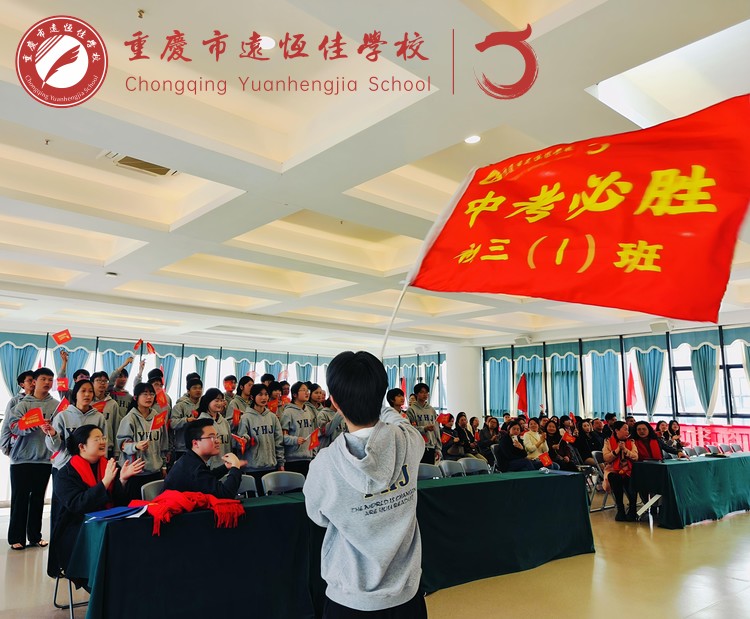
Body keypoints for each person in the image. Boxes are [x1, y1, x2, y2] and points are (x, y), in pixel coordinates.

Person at [304, 351, 427, 618]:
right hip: (406, 597)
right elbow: (398, 420)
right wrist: (380, 402)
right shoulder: (410, 441)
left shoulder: (325, 464)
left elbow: (319, 517)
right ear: (383, 395)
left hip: (349, 599)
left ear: (334, 402)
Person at [47, 425, 144, 578]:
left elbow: (119, 503)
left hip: (107, 526)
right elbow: (78, 504)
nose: (103, 442)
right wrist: (105, 482)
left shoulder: (108, 466)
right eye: (97, 439)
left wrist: (122, 480)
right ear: (82, 447)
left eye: (103, 438)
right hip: (78, 531)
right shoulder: (65, 474)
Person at [44, 379, 108, 532]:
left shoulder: (99, 417)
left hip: (91, 469)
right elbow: (55, 447)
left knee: (87, 507)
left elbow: (104, 444)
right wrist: (53, 434)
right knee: (61, 512)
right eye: (83, 391)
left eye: (90, 391)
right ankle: (58, 542)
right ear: (75, 394)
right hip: (65, 468)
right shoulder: (63, 416)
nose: (87, 394)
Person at [6, 367, 59, 550]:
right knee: (19, 500)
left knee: (38, 499)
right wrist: (34, 424)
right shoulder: (22, 404)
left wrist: (53, 429)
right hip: (22, 459)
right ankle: (16, 538)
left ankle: (35, 536)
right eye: (43, 379)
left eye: (50, 380)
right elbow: (13, 426)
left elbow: (60, 430)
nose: (47, 383)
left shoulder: (56, 406)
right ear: (34, 382)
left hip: (44, 460)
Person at [164, 418, 244, 498]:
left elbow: (206, 478)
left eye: (217, 436)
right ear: (195, 443)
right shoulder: (194, 469)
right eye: (211, 437)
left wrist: (226, 467)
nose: (218, 441)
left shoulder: (190, 460)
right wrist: (235, 467)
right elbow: (226, 494)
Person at [117, 382, 169, 501]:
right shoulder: (129, 419)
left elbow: (163, 445)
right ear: (136, 397)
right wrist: (135, 446)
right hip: (135, 473)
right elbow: (122, 445)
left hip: (155, 472)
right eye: (145, 394)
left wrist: (164, 466)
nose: (149, 397)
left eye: (151, 394)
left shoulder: (158, 418)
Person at [237, 383, 285, 493]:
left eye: (266, 394)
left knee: (272, 498)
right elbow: (240, 443)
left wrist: (281, 463)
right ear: (252, 397)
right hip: (252, 468)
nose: (264, 398)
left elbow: (278, 442)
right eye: (260, 394)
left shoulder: (272, 417)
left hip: (271, 467)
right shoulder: (246, 418)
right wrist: (246, 441)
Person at [603, 421, 639, 521]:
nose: (627, 432)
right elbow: (606, 458)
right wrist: (618, 450)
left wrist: (625, 450)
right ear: (617, 430)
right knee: (615, 478)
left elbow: (635, 457)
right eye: (625, 429)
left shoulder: (631, 442)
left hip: (628, 470)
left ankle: (632, 509)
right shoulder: (608, 442)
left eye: (628, 430)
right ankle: (620, 509)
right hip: (613, 470)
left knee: (630, 478)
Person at [280, 381, 317, 476]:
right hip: (292, 460)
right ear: (294, 394)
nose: (307, 393)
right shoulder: (288, 412)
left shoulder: (309, 411)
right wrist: (295, 440)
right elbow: (283, 437)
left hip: (308, 458)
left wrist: (314, 454)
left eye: (307, 390)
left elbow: (313, 434)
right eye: (303, 390)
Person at [196, 388, 234, 468]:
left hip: (225, 465)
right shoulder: (201, 422)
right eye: (216, 401)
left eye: (221, 400)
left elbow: (229, 444)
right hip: (208, 466)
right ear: (208, 401)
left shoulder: (224, 422)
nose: (220, 403)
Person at [1, 370, 35, 457]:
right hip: (18, 444)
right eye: (29, 380)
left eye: (34, 380)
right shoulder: (15, 401)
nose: (33, 383)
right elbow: (7, 423)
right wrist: (4, 445)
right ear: (22, 384)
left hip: (36, 444)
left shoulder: (42, 400)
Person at [169, 376, 203, 460]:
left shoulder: (204, 405)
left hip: (201, 447)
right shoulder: (180, 406)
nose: (198, 390)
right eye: (194, 388)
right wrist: (186, 420)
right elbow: (172, 423)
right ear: (188, 391)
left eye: (200, 388)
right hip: (183, 447)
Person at [406, 383, 440, 465]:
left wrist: (438, 448)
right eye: (422, 392)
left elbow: (437, 430)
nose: (425, 394)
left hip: (431, 446)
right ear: (416, 394)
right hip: (418, 446)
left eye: (426, 392)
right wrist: (424, 428)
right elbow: (410, 429)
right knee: (419, 470)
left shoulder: (432, 410)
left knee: (430, 470)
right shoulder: (411, 410)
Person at [90, 371, 118, 457]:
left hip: (107, 448)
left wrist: (116, 452)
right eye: (99, 380)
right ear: (92, 383)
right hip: (89, 448)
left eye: (105, 381)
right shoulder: (87, 402)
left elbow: (116, 427)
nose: (102, 383)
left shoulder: (112, 404)